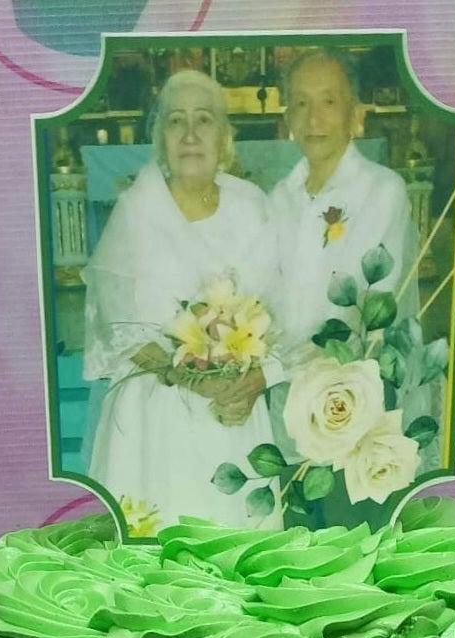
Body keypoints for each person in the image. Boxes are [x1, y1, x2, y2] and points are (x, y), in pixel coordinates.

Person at [83, 70, 282, 531]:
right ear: (160, 138)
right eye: (176, 121)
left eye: (204, 120)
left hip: (234, 409)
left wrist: (249, 380)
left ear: (225, 137)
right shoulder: (136, 209)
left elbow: (279, 309)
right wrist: (190, 376)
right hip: (156, 413)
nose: (190, 134)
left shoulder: (252, 205)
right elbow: (118, 325)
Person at [268, 50, 420, 362]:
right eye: (300, 103)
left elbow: (361, 309)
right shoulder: (279, 197)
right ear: (288, 121)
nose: (313, 118)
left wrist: (275, 373)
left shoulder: (381, 190)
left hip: (349, 380)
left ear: (355, 114)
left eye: (328, 102)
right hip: (278, 380)